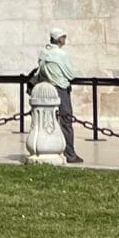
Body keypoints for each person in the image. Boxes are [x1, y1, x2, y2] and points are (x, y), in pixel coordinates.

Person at [34, 31, 81, 163]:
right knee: (66, 121)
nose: (65, 38)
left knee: (48, 122)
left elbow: (41, 70)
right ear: (59, 39)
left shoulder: (43, 53)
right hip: (61, 89)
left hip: (47, 89)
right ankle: (70, 154)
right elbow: (71, 75)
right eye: (64, 36)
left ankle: (50, 149)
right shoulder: (61, 55)